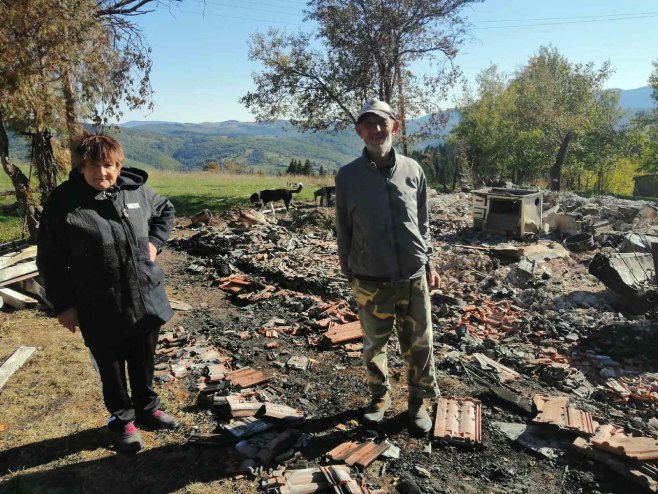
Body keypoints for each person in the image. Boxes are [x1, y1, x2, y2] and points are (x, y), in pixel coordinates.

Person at [37, 131, 178, 453]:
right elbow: (50, 260)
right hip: (98, 302)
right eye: (92, 166)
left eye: (108, 165)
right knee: (111, 366)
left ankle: (147, 408)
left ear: (118, 164)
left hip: (144, 296)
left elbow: (166, 210)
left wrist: (155, 243)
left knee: (143, 359)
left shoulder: (136, 191)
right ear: (80, 167)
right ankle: (122, 419)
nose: (102, 173)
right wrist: (64, 306)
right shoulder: (63, 203)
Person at [334, 99, 440, 434]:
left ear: (395, 126)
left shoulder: (413, 170)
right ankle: (379, 398)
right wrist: (349, 270)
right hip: (370, 278)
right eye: (368, 124)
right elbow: (343, 228)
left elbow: (422, 223)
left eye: (382, 123)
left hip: (412, 276)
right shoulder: (347, 176)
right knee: (373, 345)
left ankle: (419, 402)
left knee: (420, 345)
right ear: (359, 131)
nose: (376, 130)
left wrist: (430, 262)